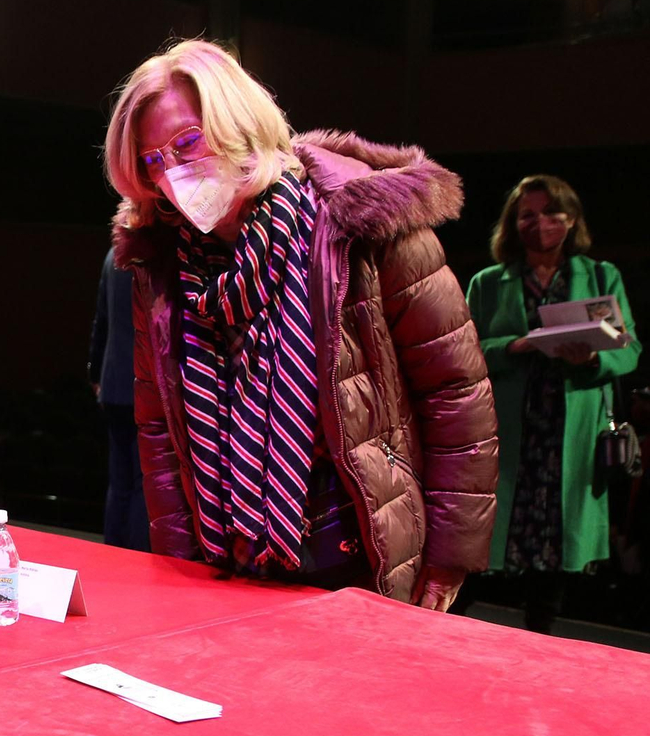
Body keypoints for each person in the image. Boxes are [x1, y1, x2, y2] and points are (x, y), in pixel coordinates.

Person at [104, 40, 497, 605]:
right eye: (153, 161)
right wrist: (178, 570)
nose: (174, 172)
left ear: (237, 122)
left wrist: (449, 558)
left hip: (361, 550)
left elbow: (454, 392)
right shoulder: (161, 264)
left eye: (187, 142)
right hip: (230, 558)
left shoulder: (362, 219)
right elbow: (160, 431)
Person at [464, 175, 641, 632]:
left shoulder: (600, 276)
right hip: (510, 430)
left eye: (551, 214)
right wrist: (515, 345)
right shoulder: (488, 282)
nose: (540, 224)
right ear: (512, 223)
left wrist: (591, 358)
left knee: (557, 542)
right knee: (491, 540)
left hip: (571, 430)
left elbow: (629, 351)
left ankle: (540, 637)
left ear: (572, 220)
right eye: (528, 215)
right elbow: (462, 351)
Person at [88, 249, 148, 549]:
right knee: (142, 482)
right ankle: (137, 555)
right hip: (142, 382)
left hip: (112, 383)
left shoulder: (113, 256)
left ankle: (113, 550)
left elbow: (101, 320)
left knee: (119, 480)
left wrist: (95, 374)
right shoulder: (150, 255)